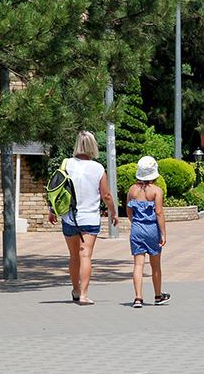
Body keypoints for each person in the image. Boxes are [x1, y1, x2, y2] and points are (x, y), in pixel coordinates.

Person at [47, 131, 117, 305]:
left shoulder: (66, 164)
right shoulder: (98, 168)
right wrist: (113, 212)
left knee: (73, 256)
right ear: (93, 146)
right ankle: (84, 295)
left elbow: (56, 188)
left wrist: (52, 210)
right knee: (85, 255)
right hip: (89, 218)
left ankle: (76, 290)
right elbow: (106, 195)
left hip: (69, 217)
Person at [126, 156, 169, 309]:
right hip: (152, 229)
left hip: (137, 229)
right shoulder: (157, 191)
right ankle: (157, 296)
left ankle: (138, 298)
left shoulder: (132, 189)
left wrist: (135, 222)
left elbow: (128, 210)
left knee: (138, 264)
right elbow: (159, 212)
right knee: (155, 265)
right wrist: (163, 233)